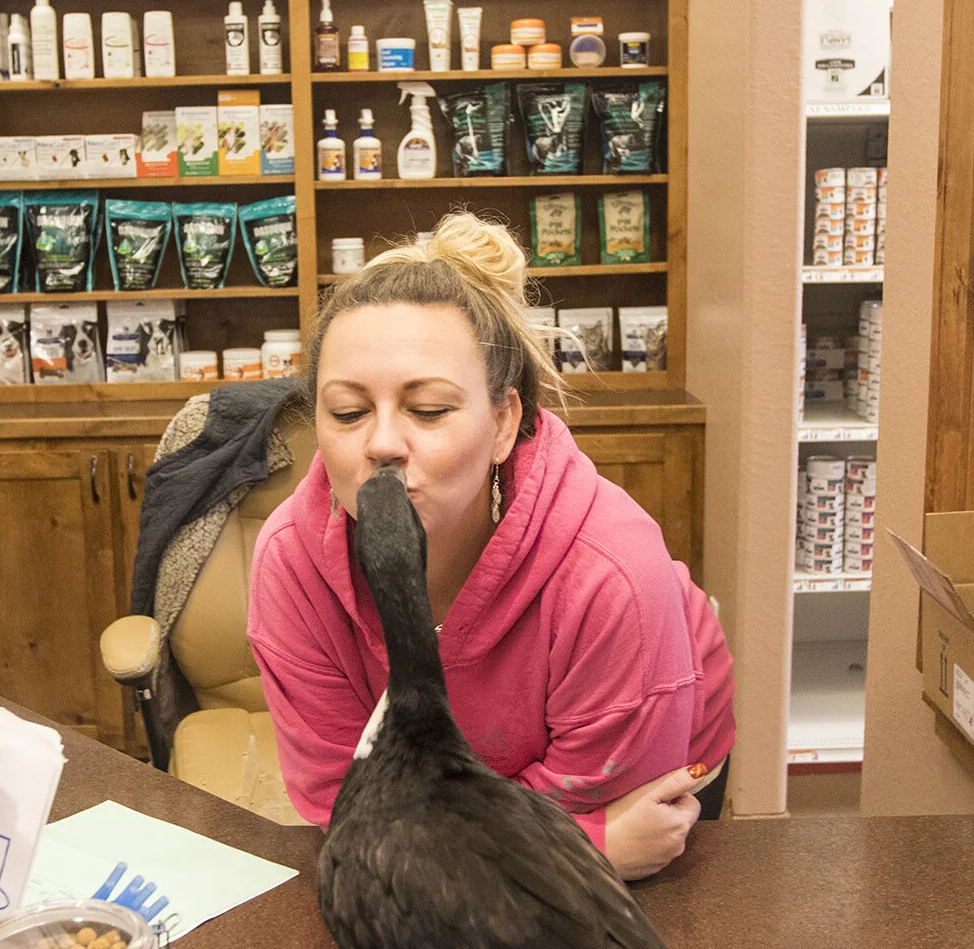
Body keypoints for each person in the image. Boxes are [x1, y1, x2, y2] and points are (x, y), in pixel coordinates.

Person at [248, 213, 733, 880]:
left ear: (503, 422)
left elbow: (626, 818)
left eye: (428, 409)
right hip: (562, 827)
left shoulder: (611, 573)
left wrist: (578, 843)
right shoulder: (292, 566)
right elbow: (348, 817)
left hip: (655, 784)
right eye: (349, 411)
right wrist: (587, 845)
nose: (383, 443)